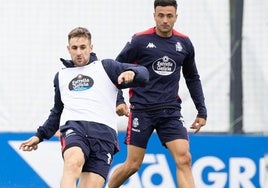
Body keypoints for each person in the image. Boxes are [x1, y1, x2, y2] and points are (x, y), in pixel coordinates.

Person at [19, 27, 149, 188]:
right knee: (73, 162)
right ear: (68, 49)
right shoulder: (61, 76)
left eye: (83, 47)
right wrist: (40, 135)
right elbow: (57, 112)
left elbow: (144, 73)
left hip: (104, 135)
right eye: (74, 48)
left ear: (91, 47)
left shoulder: (107, 67)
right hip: (75, 127)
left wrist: (133, 73)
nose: (79, 52)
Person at [107, 0, 207, 188]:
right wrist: (119, 101)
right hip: (142, 111)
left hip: (170, 111)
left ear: (176, 17)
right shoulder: (139, 40)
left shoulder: (184, 43)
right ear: (154, 15)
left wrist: (202, 111)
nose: (165, 20)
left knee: (184, 158)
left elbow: (192, 78)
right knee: (132, 165)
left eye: (169, 16)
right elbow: (115, 70)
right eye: (160, 15)